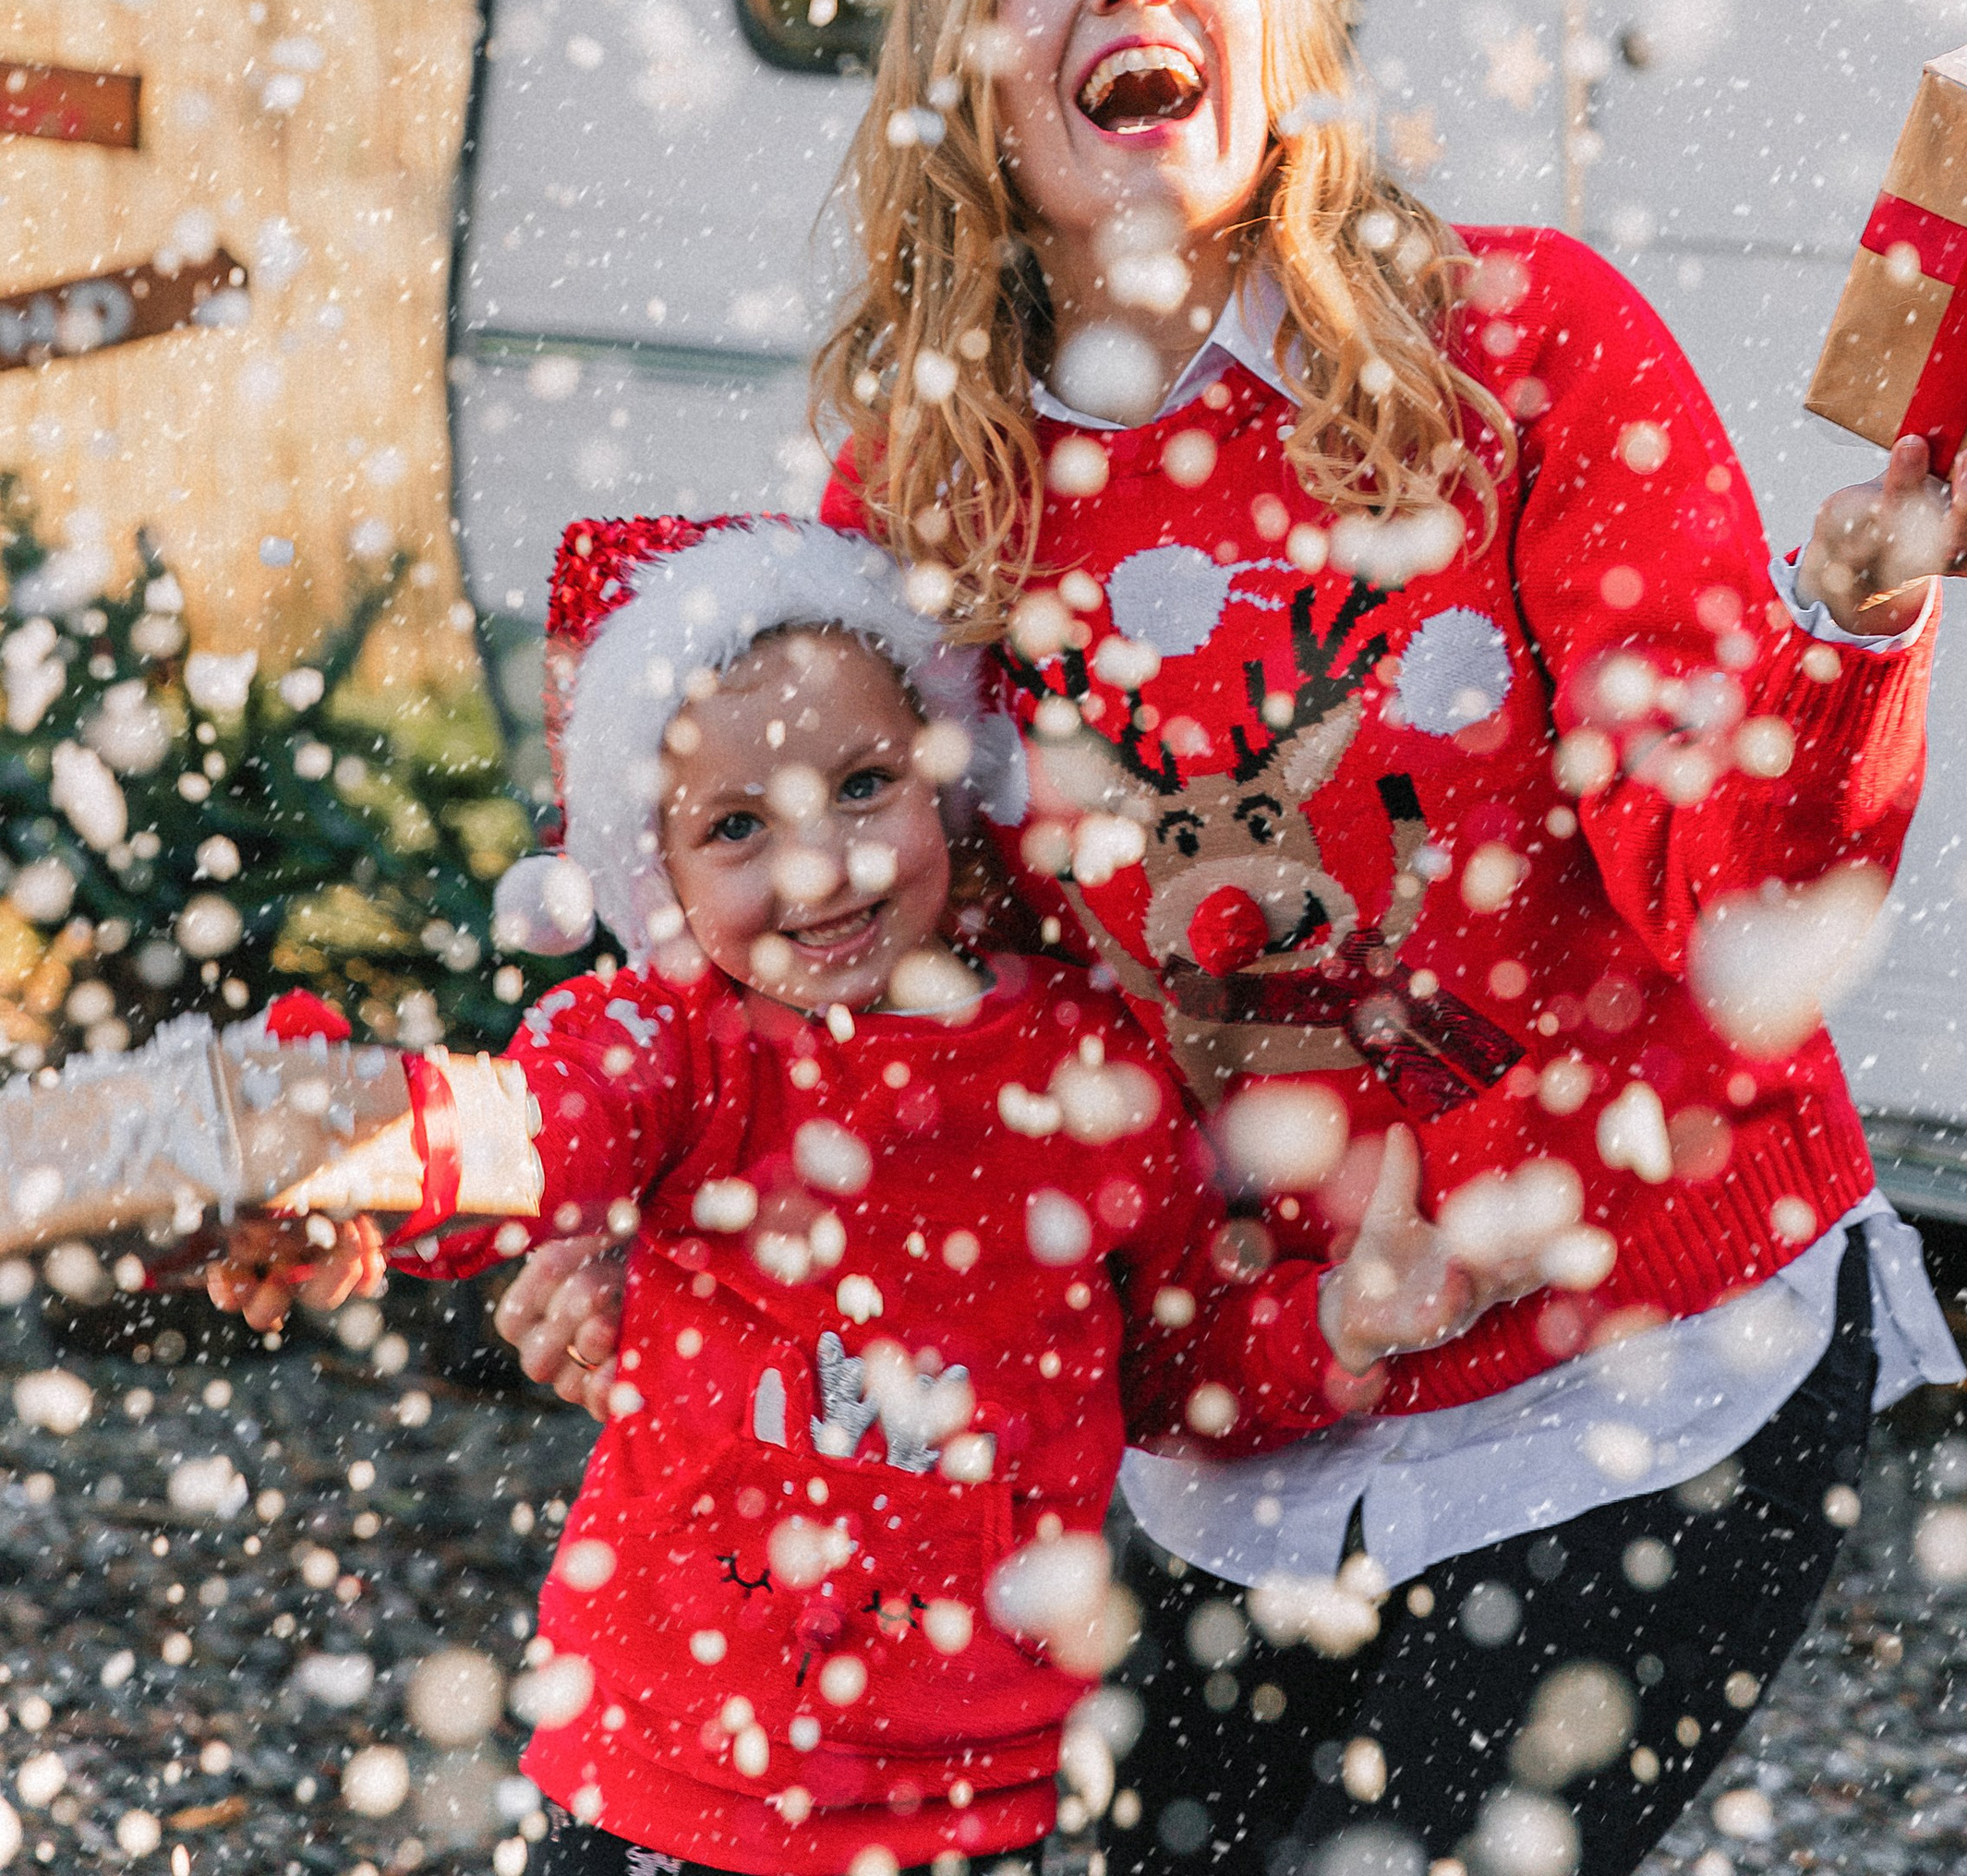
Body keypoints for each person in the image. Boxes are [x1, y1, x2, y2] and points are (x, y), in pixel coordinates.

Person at [499, 0, 1967, 1876]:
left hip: (1638, 1363)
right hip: (1226, 1395)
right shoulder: (921, 498)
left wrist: (1854, 599)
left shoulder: (1523, 349)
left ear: (1269, 15)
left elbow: (1728, 898)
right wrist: (643, 1191)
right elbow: (868, 972)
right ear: (965, 82)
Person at [207, 517, 1482, 1876]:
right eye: (739, 825)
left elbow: (1169, 1365)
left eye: (864, 783)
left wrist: (1336, 1325)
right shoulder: (680, 1042)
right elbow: (536, 1131)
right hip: (666, 1767)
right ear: (664, 874)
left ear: (944, 782)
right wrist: (357, 1155)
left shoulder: (1082, 1066)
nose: (818, 863)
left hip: (967, 1795)